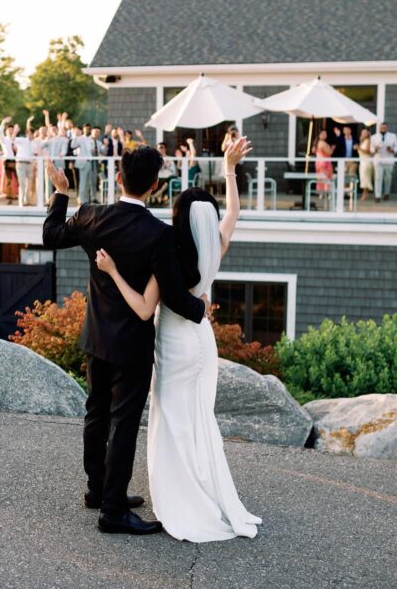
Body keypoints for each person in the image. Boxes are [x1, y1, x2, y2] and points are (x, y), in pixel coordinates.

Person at [92, 136, 262, 543]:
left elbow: (149, 306)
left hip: (174, 342)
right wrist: (229, 169)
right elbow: (234, 211)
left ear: (178, 215)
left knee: (171, 421)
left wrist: (114, 272)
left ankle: (180, 496)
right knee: (198, 419)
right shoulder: (216, 248)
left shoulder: (167, 250)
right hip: (202, 342)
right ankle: (205, 490)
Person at [42, 147, 208, 536]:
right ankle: (113, 510)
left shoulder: (90, 216)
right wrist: (201, 309)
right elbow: (176, 297)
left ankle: (97, 491)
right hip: (131, 347)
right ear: (154, 185)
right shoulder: (159, 235)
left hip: (96, 337)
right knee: (123, 425)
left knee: (96, 415)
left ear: (119, 178)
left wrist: (61, 191)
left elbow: (50, 234)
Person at [371, 122, 397, 202]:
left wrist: (392, 150)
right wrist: (375, 149)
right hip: (378, 159)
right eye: (382, 127)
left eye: (384, 127)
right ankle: (377, 195)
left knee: (388, 178)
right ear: (379, 128)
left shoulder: (393, 136)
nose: (383, 129)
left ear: (387, 128)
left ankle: (386, 193)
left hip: (388, 159)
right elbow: (371, 148)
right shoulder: (374, 137)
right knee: (377, 178)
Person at [314, 130, 334, 198]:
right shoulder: (322, 143)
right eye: (323, 133)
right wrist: (332, 148)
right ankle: (327, 193)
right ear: (319, 135)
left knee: (320, 177)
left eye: (325, 133)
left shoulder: (316, 143)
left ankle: (321, 193)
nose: (325, 135)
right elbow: (329, 152)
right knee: (326, 177)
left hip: (319, 162)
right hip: (324, 162)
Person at [358, 128, 375, 201]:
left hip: (366, 161)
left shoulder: (368, 141)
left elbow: (368, 152)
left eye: (365, 132)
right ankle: (365, 194)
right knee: (363, 178)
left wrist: (358, 148)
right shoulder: (362, 141)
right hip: (362, 162)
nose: (364, 134)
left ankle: (365, 194)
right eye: (363, 132)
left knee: (366, 178)